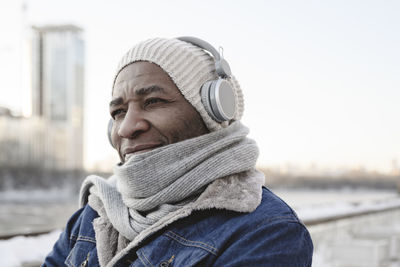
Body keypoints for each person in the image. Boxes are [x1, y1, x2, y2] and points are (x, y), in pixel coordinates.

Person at [43, 36, 313, 266]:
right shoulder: (93, 214)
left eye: (153, 101)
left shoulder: (265, 232)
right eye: (118, 112)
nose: (126, 128)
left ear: (213, 111)